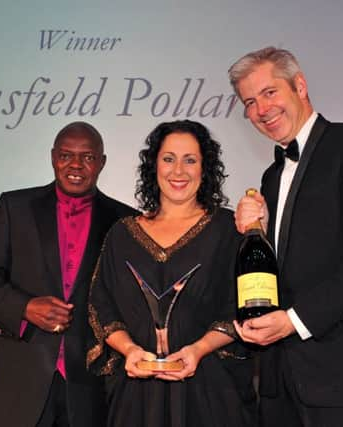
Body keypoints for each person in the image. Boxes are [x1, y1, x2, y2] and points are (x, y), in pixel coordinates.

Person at [228, 47, 343, 426]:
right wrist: (255, 233)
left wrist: (294, 320)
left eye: (269, 92)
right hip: (282, 379)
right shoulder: (270, 177)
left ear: (299, 85)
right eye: (250, 101)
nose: (261, 109)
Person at [0, 121, 137, 427]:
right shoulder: (15, 206)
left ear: (102, 162)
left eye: (87, 157)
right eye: (66, 155)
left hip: (94, 385)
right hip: (24, 377)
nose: (75, 165)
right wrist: (25, 307)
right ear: (53, 157)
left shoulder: (125, 221)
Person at [87, 120, 256, 427]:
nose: (178, 171)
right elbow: (101, 305)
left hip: (212, 396)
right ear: (154, 166)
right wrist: (130, 350)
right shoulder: (122, 235)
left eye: (190, 160)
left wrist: (198, 349)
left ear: (205, 168)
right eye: (168, 159)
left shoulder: (229, 231)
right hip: (135, 399)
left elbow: (242, 306)